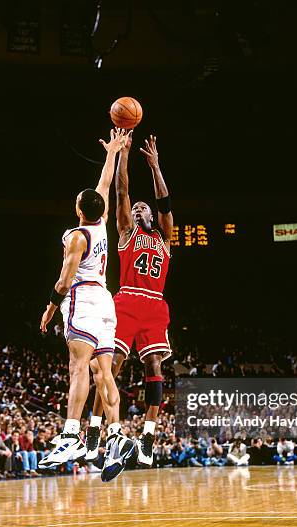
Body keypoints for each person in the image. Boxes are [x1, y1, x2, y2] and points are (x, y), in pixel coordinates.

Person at [39, 128, 134, 482]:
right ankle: (117, 434)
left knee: (77, 368)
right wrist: (112, 154)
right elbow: (104, 186)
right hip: (106, 303)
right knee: (103, 372)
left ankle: (69, 435)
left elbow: (64, 281)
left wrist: (50, 308)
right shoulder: (103, 225)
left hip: (83, 299)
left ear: (79, 208)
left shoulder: (77, 236)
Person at [88, 131, 174, 468]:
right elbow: (122, 190)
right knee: (111, 368)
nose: (138, 210)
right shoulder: (126, 231)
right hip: (126, 300)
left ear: (151, 216)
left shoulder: (165, 238)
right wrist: (123, 153)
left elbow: (166, 203)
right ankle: (95, 430)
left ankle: (149, 437)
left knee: (154, 367)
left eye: (143, 208)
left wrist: (155, 166)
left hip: (155, 303)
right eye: (135, 208)